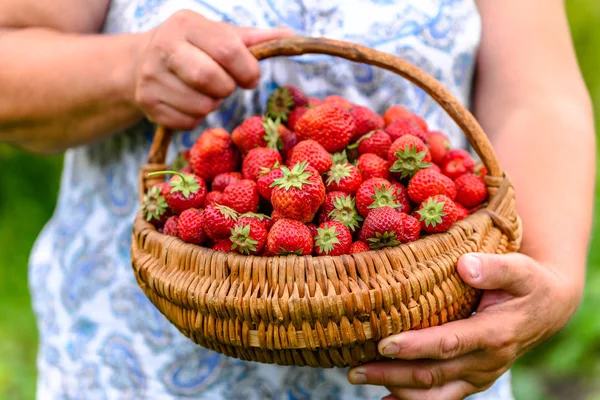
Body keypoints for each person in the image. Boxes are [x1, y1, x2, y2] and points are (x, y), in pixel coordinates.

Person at [0, 0, 594, 399]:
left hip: (426, 344)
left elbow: (537, 99)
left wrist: (547, 279)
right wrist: (126, 68)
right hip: (139, 359)